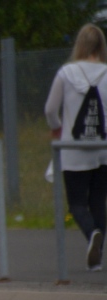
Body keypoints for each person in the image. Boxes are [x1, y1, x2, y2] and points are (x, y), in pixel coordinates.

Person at [46, 23, 107, 271]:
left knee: (77, 204)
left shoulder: (66, 73)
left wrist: (56, 127)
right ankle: (97, 256)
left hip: (74, 149)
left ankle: (92, 233)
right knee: (98, 202)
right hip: (103, 147)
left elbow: (50, 108)